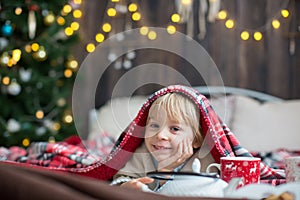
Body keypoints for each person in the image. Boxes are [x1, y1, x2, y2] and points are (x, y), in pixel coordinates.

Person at [109, 85, 285, 191]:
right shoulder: (142, 153)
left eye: (175, 128)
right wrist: (125, 186)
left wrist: (168, 170)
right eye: (154, 125)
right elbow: (120, 179)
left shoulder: (207, 159)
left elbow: (218, 189)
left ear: (197, 140)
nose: (160, 135)